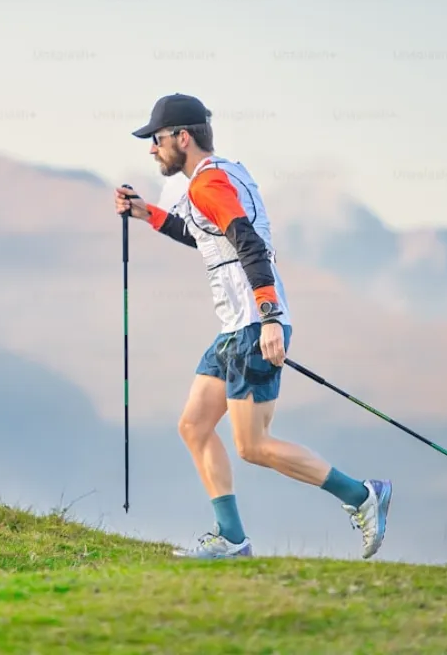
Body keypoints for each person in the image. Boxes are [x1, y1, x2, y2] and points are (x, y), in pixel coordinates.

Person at [114, 92, 392, 560]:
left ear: (183, 137)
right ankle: (231, 539)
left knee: (254, 445)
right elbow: (207, 235)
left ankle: (362, 496)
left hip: (252, 327)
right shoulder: (218, 176)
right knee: (194, 425)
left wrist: (269, 320)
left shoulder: (208, 186)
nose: (152, 148)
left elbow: (249, 246)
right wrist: (148, 213)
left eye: (158, 139)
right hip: (234, 329)